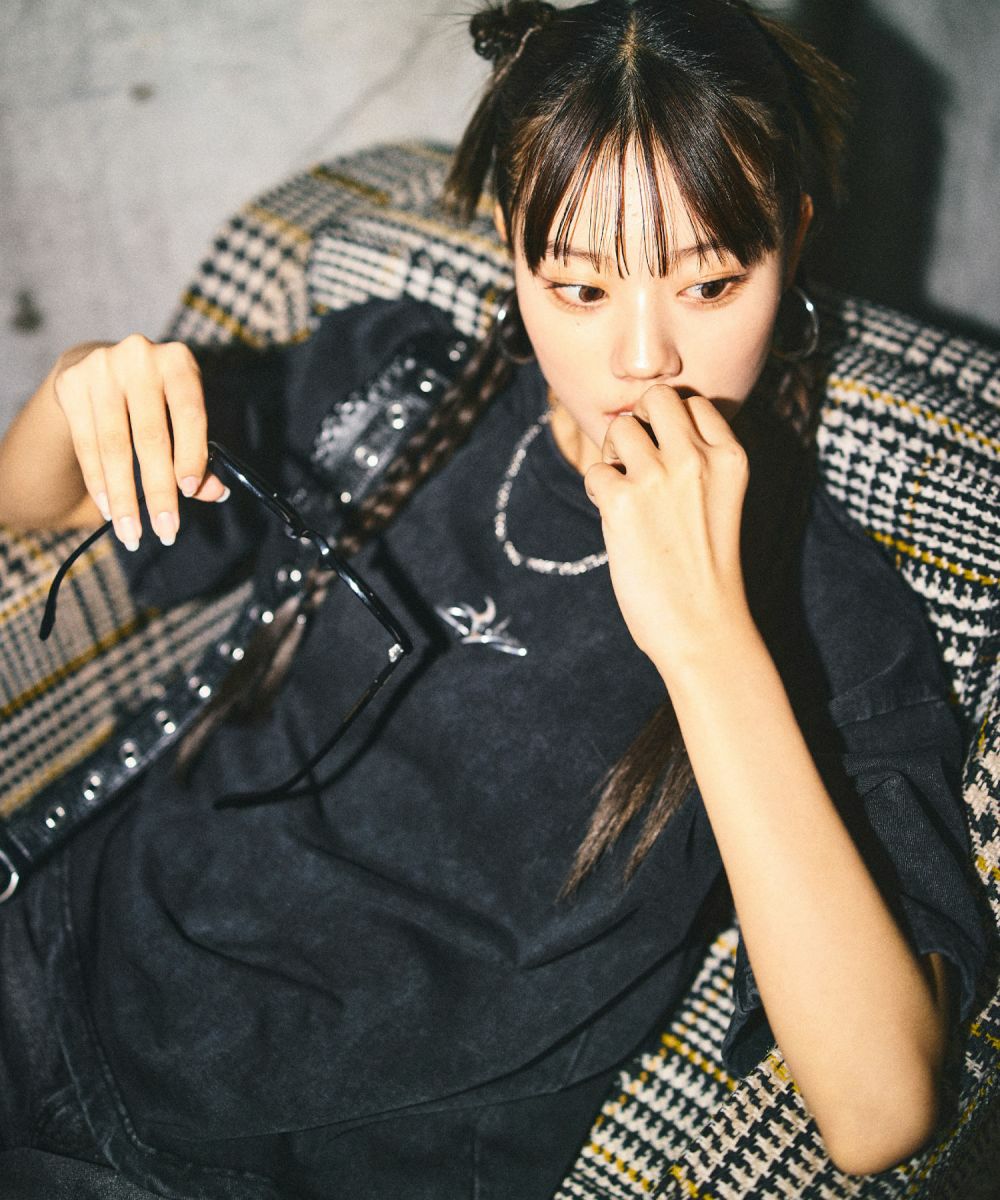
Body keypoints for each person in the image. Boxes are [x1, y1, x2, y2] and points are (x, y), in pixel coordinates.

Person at [0, 1, 988, 1197]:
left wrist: (710, 645)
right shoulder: (398, 384)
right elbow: (40, 513)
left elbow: (879, 1111)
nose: (643, 356)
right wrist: (75, 392)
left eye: (713, 282)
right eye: (578, 287)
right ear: (513, 248)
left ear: (794, 238)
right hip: (57, 951)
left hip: (281, 1165)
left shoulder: (829, 610)